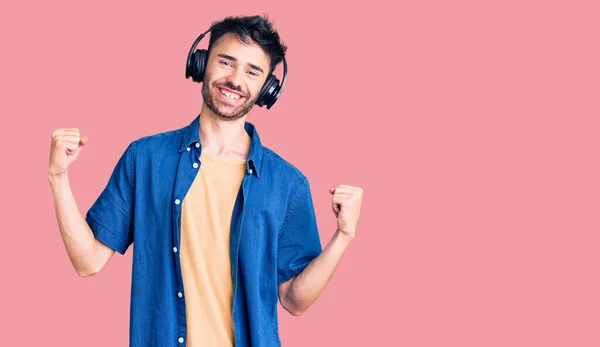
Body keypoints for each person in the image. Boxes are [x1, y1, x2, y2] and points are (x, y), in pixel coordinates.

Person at [48, 14, 364, 347]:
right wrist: (58, 177)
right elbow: (88, 261)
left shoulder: (288, 184)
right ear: (201, 64)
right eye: (225, 62)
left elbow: (295, 300)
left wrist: (343, 236)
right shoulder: (145, 158)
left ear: (268, 87)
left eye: (252, 71)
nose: (235, 79)